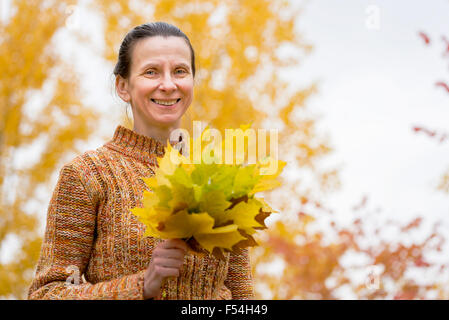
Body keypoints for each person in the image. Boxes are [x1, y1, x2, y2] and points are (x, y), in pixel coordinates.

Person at [27, 22, 254, 300]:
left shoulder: (220, 178)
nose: (168, 84)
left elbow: (244, 298)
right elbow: (46, 294)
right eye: (151, 72)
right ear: (123, 86)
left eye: (180, 71)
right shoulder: (88, 174)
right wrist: (141, 286)